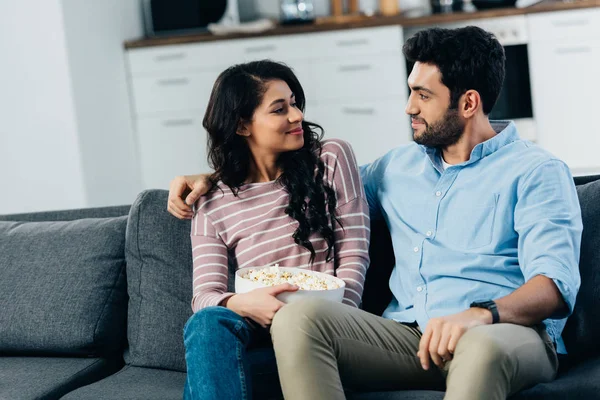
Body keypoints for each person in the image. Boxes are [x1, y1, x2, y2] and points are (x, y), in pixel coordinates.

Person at [169, 27, 582, 400]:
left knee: (481, 348)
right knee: (299, 318)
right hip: (405, 339)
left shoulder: (536, 171)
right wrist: (213, 178)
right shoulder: (396, 168)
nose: (408, 108)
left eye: (423, 95)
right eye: (410, 92)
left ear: (468, 102)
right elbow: (298, 187)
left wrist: (480, 314)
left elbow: (555, 286)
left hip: (502, 334)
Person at [178, 60, 370, 400]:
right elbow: (204, 296)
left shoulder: (330, 159)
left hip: (321, 333)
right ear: (242, 126)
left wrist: (339, 322)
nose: (297, 116)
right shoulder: (211, 203)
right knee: (206, 325)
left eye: (294, 103)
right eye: (279, 109)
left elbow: (354, 255)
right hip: (257, 342)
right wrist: (244, 303)